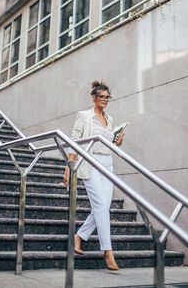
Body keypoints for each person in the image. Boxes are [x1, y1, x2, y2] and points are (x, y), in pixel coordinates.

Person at [63, 80, 125, 271]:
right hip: (90, 165)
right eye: (102, 97)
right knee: (101, 206)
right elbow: (74, 141)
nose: (105, 100)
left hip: (107, 165)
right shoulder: (84, 116)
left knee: (103, 207)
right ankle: (107, 252)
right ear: (93, 97)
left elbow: (110, 145)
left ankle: (79, 236)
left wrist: (118, 141)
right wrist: (68, 167)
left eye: (108, 97)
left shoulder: (110, 119)